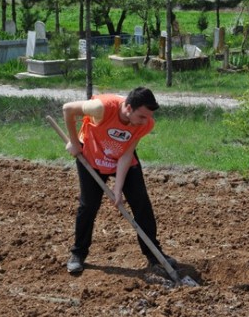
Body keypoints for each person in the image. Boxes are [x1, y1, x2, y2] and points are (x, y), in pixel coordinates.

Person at [63, 87, 177, 273]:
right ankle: (78, 253)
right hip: (92, 155)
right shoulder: (102, 107)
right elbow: (68, 109)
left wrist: (118, 187)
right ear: (128, 108)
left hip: (121, 156)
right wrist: (75, 142)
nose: (146, 121)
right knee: (89, 205)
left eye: (148, 117)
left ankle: (154, 254)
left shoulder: (144, 124)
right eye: (142, 116)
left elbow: (127, 153)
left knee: (141, 203)